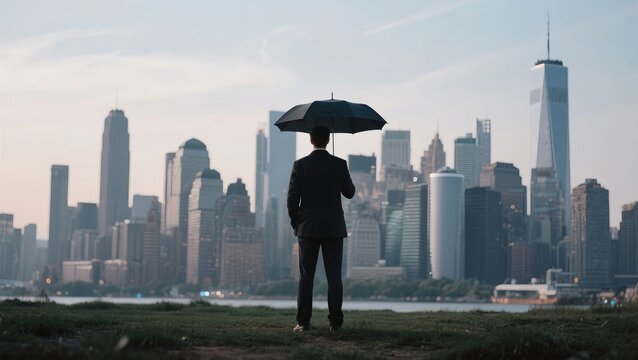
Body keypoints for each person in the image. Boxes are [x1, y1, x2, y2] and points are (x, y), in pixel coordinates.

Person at [287, 125, 355, 333]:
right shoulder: (339, 164)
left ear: (311, 140)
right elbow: (350, 193)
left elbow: (292, 200)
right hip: (333, 228)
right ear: (328, 140)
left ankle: (303, 322)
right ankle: (335, 324)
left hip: (307, 228)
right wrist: (340, 175)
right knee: (334, 276)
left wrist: (297, 223)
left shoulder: (300, 165)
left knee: (306, 276)